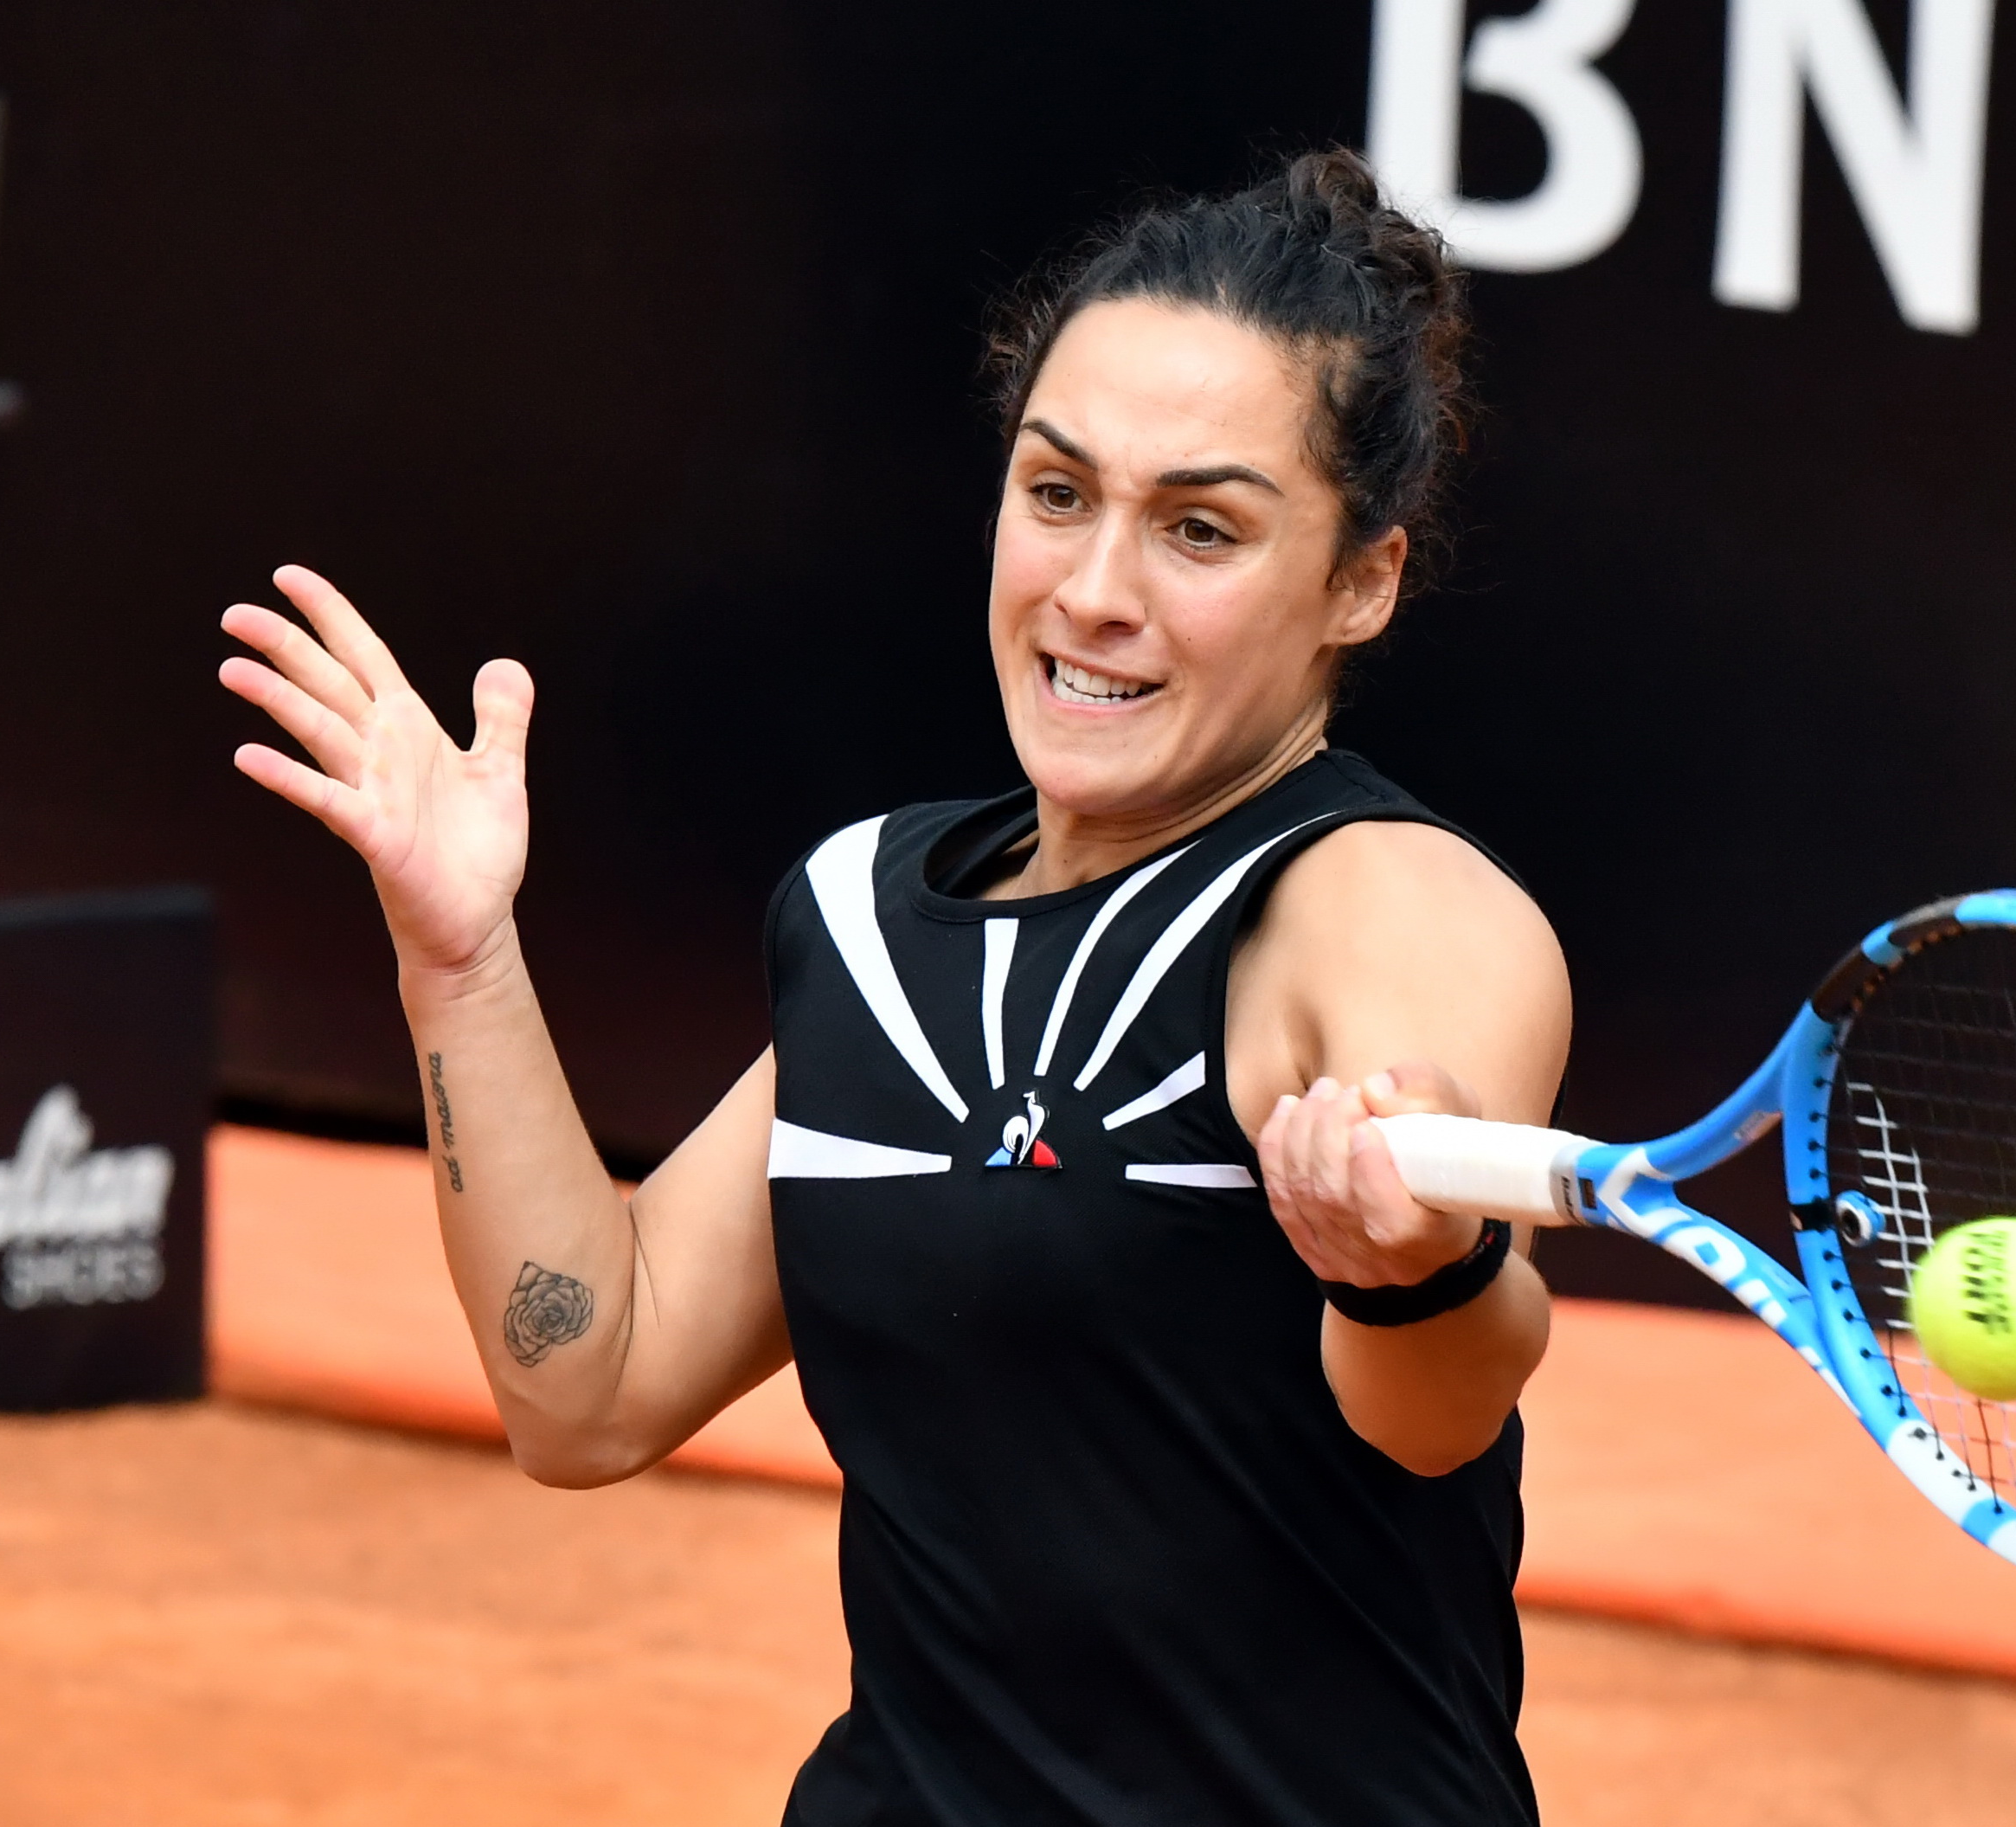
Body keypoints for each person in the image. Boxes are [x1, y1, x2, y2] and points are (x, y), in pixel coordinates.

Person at [216, 148, 1570, 1826]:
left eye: (1199, 529)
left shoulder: (1386, 905)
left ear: (1361, 580)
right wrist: (460, 956)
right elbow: (587, 1388)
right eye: (1056, 492)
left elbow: (1441, 1408)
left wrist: (1414, 1265)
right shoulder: (867, 915)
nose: (1094, 591)